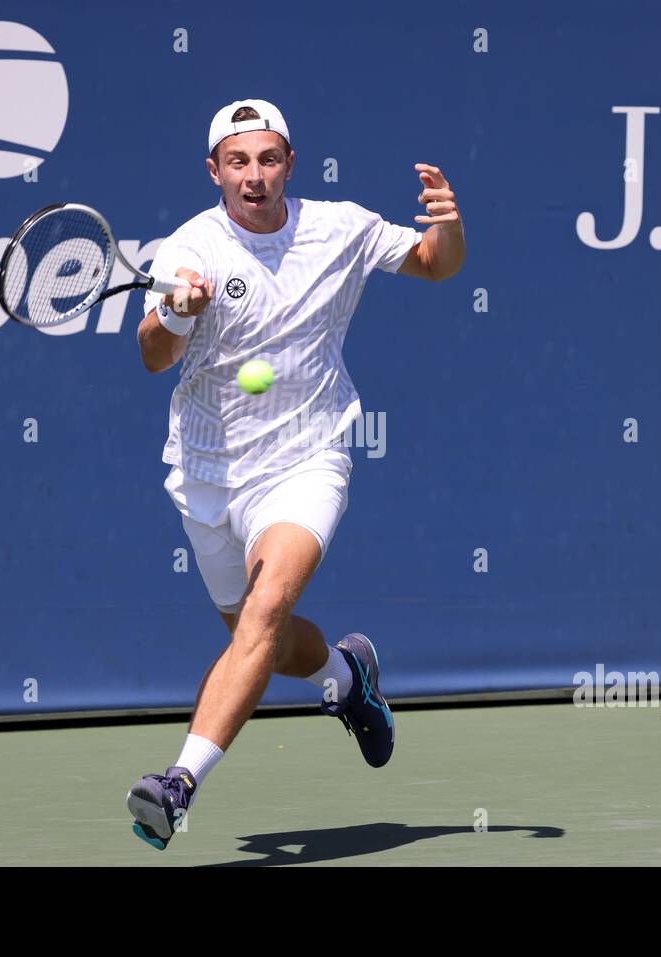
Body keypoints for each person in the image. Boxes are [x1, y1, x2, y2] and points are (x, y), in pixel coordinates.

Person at [125, 98, 465, 850]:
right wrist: (175, 313)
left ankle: (177, 786)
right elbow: (153, 354)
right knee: (268, 644)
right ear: (214, 170)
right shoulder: (193, 247)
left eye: (269, 158)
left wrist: (448, 220)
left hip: (309, 457)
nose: (255, 176)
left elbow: (438, 265)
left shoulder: (339, 228)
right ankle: (348, 677)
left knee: (268, 603)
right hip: (207, 473)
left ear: (289, 164)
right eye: (238, 161)